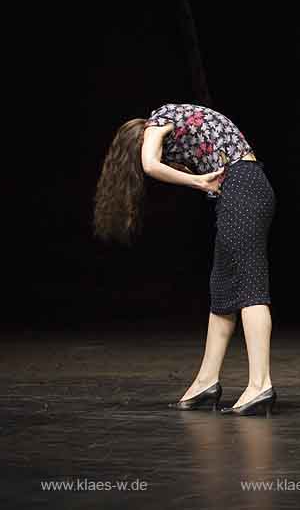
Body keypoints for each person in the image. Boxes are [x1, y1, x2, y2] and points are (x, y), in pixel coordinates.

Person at [94, 103, 276, 416]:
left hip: (243, 186)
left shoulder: (158, 121)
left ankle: (260, 384)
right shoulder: (181, 129)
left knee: (249, 287)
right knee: (222, 289)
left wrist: (198, 182)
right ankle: (206, 380)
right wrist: (198, 177)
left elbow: (150, 165)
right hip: (242, 189)